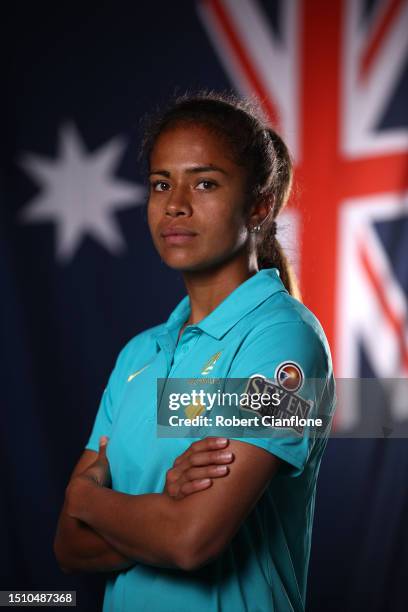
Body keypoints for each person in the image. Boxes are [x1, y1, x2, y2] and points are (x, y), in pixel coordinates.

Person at [54, 92, 336, 611]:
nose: (175, 203)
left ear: (260, 204)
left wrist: (90, 499)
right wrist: (161, 506)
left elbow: (192, 540)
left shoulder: (286, 340)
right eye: (161, 183)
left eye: (204, 182)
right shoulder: (137, 357)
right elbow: (69, 546)